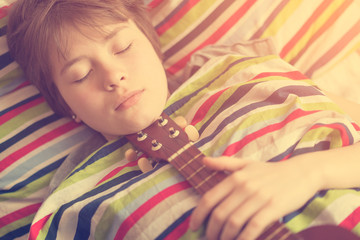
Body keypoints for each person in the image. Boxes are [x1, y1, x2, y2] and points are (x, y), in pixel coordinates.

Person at [6, 0, 360, 239]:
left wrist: (309, 172)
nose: (113, 76)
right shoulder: (70, 205)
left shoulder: (245, 73)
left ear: (150, 41)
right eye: (80, 74)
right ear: (63, 103)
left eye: (123, 48)